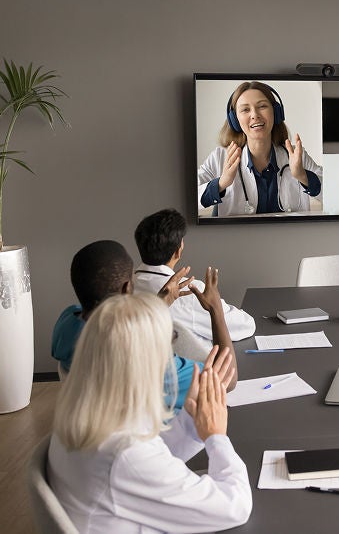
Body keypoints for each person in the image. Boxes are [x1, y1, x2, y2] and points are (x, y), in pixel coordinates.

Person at [48, 292, 253, 531]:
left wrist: (192, 418)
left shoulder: (83, 419)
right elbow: (234, 506)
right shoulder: (125, 456)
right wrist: (217, 437)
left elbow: (155, 454)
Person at [51, 240, 237, 409]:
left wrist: (160, 302)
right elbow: (226, 380)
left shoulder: (67, 322)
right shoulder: (146, 361)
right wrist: (215, 310)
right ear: (126, 289)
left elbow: (114, 324)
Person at [197, 81, 323, 216]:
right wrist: (221, 183)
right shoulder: (219, 158)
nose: (254, 115)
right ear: (235, 119)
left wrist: (302, 176)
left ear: (276, 112)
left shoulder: (296, 155)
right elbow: (187, 199)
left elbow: (334, 193)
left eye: (262, 106)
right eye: (245, 109)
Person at [134, 208, 255, 345]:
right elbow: (244, 326)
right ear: (178, 251)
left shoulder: (125, 286)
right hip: (197, 365)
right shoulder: (190, 291)